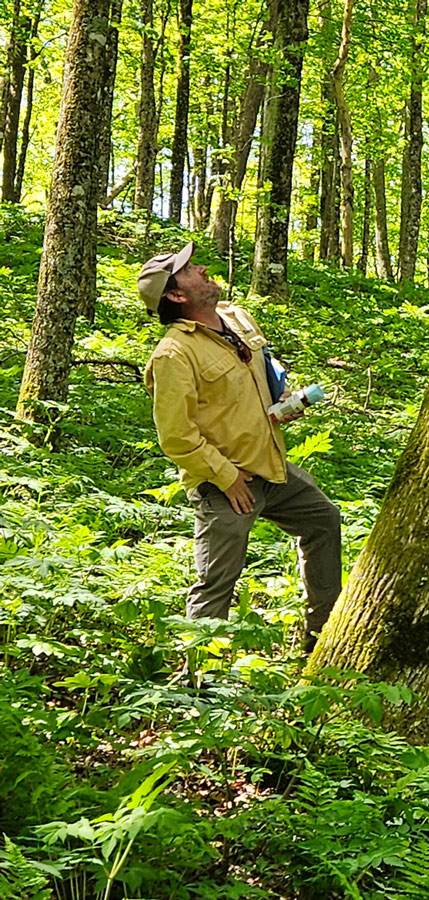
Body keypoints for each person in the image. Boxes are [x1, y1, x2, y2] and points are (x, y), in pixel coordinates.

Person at [140, 242, 341, 653]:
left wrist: (282, 397)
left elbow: (264, 365)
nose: (201, 269)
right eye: (189, 270)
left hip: (270, 466)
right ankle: (200, 674)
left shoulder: (235, 317)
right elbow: (176, 435)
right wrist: (227, 477)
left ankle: (321, 640)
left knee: (323, 520)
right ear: (176, 296)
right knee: (217, 581)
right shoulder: (173, 355)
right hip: (225, 485)